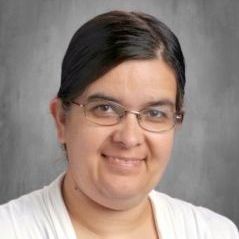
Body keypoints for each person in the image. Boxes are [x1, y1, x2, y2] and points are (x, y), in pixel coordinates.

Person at [0, 10, 238, 239]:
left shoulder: (216, 233)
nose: (129, 138)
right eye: (105, 108)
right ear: (62, 119)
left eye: (155, 113)